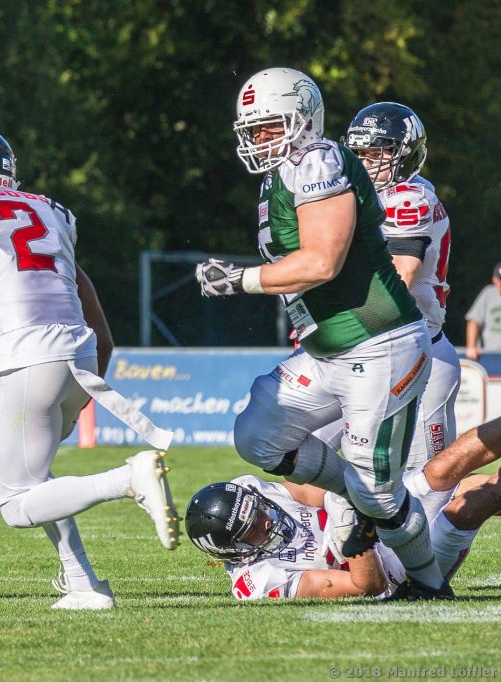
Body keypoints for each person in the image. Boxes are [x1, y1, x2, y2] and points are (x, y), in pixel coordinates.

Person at [195, 67, 446, 599]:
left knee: (379, 493)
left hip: (378, 343)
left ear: (304, 118)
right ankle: (352, 495)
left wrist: (238, 279)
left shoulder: (318, 160)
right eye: (252, 130)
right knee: (257, 432)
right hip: (331, 350)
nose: (258, 139)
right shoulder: (282, 173)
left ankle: (428, 582)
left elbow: (322, 262)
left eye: (269, 126)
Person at [0, 126, 179, 610]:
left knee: (15, 503)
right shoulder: (50, 209)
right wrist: (79, 395)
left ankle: (127, 480)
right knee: (38, 475)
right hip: (79, 356)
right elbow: (101, 326)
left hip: (26, 353)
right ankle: (83, 584)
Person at [313, 103, 460, 514]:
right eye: (360, 153)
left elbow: (400, 278)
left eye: (379, 153)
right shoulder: (350, 196)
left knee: (429, 483)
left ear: (408, 153)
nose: (367, 163)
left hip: (416, 353)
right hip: (354, 350)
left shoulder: (408, 199)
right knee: (296, 451)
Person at [184, 469, 497, 600]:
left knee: (454, 475)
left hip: (366, 519)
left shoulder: (248, 489)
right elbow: (367, 585)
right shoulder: (258, 580)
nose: (264, 522)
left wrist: (343, 497)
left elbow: (310, 491)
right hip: (391, 572)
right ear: (233, 550)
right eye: (250, 529)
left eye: (259, 511)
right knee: (469, 506)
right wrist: (351, 528)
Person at [464, 263, 501, 360]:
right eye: (500, 280)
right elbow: (474, 320)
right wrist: (471, 346)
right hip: (490, 356)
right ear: (494, 280)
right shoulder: (488, 293)